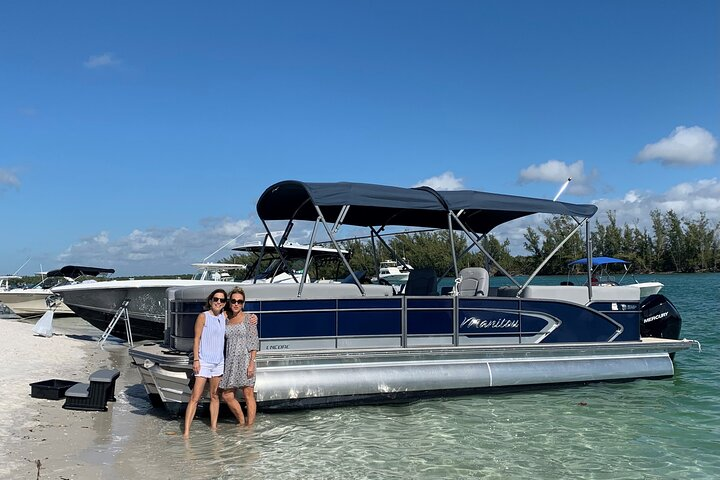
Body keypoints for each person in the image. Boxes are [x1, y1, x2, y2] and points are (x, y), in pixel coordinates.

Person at [183, 288, 228, 438]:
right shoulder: (203, 317)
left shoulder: (224, 316)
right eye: (216, 299)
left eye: (222, 300)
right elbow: (196, 339)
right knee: (195, 397)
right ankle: (186, 432)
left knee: (215, 396)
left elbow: (241, 317)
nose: (218, 302)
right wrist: (196, 359)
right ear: (210, 301)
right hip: (203, 361)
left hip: (218, 362)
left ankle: (214, 427)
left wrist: (253, 317)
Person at [220, 287, 259, 426]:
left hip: (245, 360)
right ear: (229, 302)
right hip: (230, 361)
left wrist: (251, 363)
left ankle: (250, 427)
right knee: (226, 395)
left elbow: (254, 342)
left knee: (248, 394)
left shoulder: (249, 318)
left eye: (240, 301)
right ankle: (242, 421)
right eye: (234, 301)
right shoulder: (225, 318)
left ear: (243, 303)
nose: (236, 304)